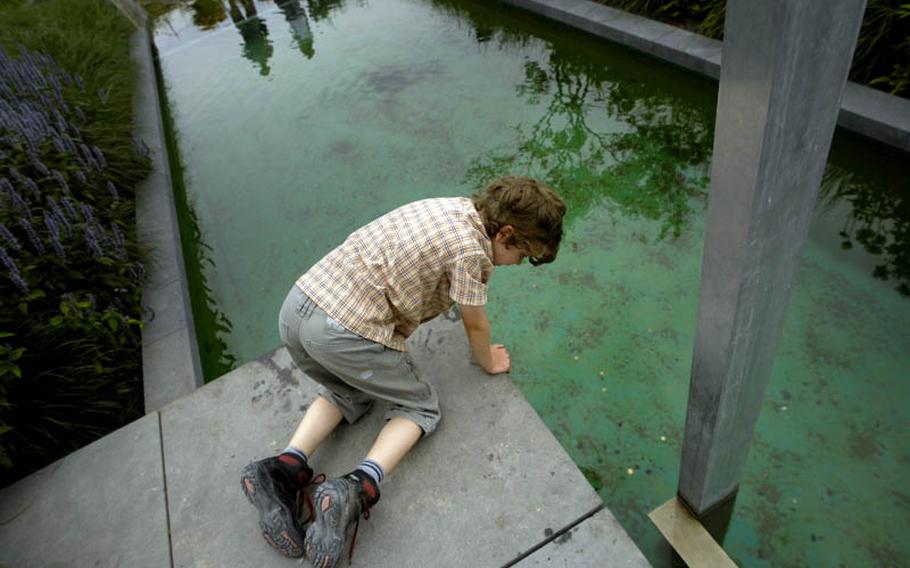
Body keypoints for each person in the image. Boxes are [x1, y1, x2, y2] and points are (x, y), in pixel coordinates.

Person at [240, 176, 566, 567]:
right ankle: (356, 488)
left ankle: (283, 468)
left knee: (350, 389)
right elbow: (475, 322)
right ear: (507, 232)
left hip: (298, 308)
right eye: (523, 254)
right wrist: (489, 360)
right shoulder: (473, 253)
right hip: (343, 330)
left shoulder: (453, 207)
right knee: (420, 407)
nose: (518, 264)